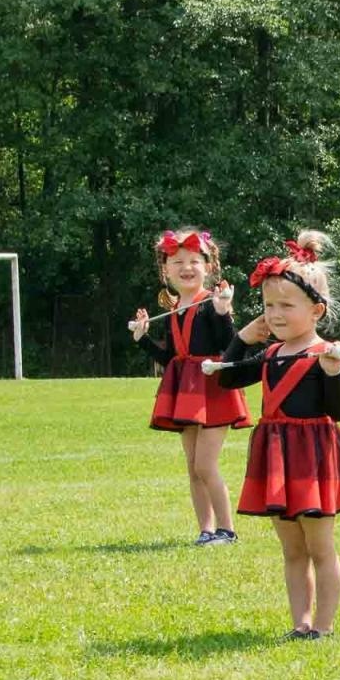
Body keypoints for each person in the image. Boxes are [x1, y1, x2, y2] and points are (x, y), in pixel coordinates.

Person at [219, 231, 340, 638]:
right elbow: (227, 379)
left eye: (286, 305)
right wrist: (240, 339)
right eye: (269, 305)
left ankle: (322, 627)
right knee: (292, 549)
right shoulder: (271, 353)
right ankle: (300, 624)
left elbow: (339, 410)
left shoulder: (327, 352)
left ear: (316, 310)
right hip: (275, 456)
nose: (274, 314)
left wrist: (331, 374)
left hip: (312, 458)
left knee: (319, 547)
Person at [129, 227, 251, 546]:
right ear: (165, 270)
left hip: (214, 389)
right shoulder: (172, 310)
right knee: (193, 467)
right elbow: (171, 356)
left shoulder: (212, 303)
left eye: (194, 261)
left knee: (205, 464)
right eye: (177, 261)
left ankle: (227, 530)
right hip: (186, 392)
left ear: (208, 267)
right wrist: (143, 339)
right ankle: (205, 530)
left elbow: (230, 347)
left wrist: (224, 313)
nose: (186, 267)